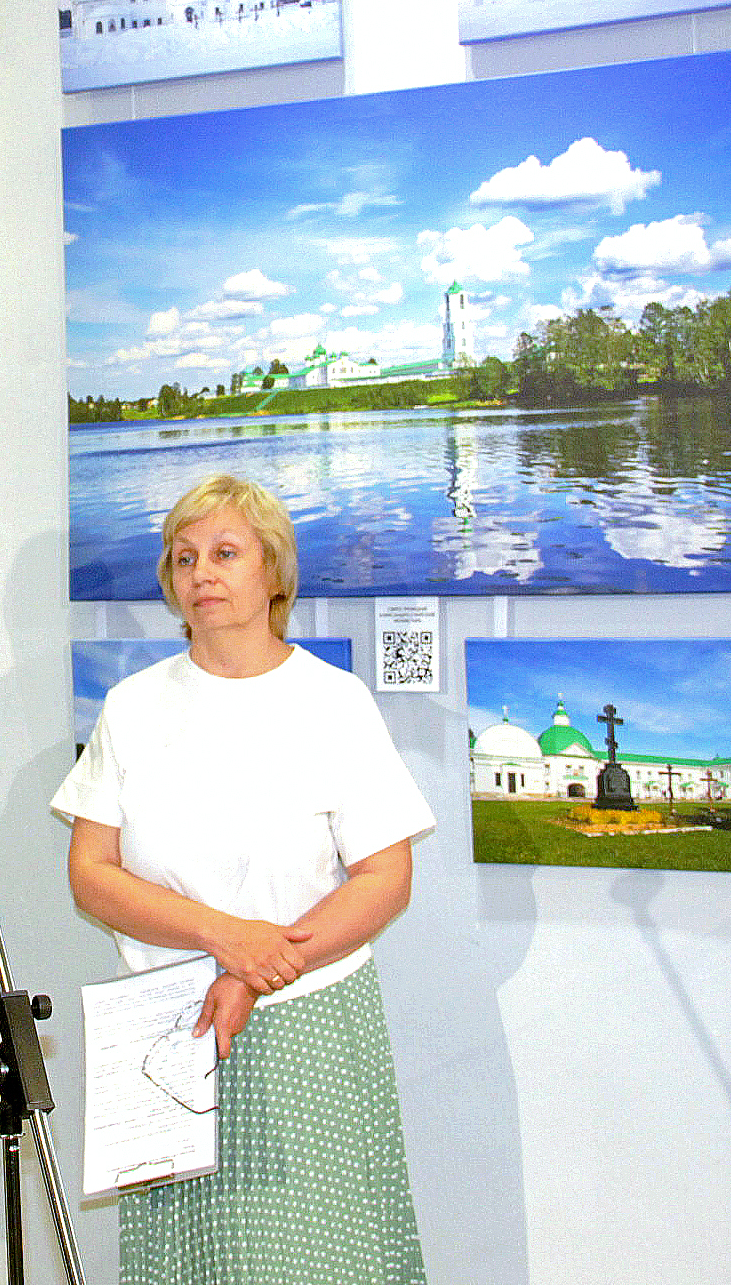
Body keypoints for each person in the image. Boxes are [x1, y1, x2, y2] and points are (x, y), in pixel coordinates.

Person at [52, 473, 433, 1284]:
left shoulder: (333, 701)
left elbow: (385, 878)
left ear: (274, 573)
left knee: (317, 1260)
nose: (202, 574)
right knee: (184, 1264)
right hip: (165, 1027)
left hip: (306, 1023)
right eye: (184, 558)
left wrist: (256, 973)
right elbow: (91, 875)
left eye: (225, 553)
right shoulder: (132, 706)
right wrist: (223, 938)